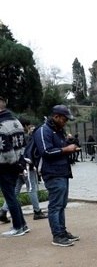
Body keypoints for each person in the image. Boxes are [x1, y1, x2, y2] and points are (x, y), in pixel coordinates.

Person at [34, 105, 81, 247]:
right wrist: (66, 149)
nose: (65, 122)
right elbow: (46, 152)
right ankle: (57, 235)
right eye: (64, 119)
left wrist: (69, 144)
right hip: (52, 172)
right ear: (56, 117)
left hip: (62, 171)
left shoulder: (58, 130)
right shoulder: (43, 131)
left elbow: (60, 147)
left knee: (62, 204)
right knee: (55, 205)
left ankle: (62, 231)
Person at [0, 121, 47, 222]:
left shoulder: (19, 135)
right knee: (31, 188)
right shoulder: (31, 138)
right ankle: (37, 211)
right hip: (27, 165)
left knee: (16, 190)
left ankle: (3, 210)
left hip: (18, 165)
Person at [0, 96, 30, 237]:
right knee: (13, 195)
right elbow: (24, 144)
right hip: (17, 162)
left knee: (10, 196)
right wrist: (21, 163)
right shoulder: (16, 121)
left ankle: (18, 226)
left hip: (6, 165)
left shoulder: (1, 124)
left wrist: (14, 164)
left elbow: (5, 149)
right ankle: (22, 224)